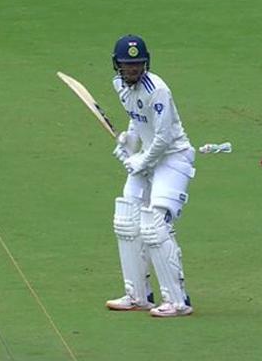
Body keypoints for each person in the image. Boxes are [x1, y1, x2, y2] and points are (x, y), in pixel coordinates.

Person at [106, 34, 195, 317]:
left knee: (155, 224)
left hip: (172, 159)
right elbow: (137, 117)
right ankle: (137, 295)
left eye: (137, 65)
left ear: (146, 64)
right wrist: (128, 141)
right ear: (117, 66)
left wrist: (142, 160)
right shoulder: (119, 85)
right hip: (148, 157)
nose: (132, 70)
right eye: (126, 65)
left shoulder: (158, 90)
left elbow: (165, 135)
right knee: (126, 218)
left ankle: (178, 301)